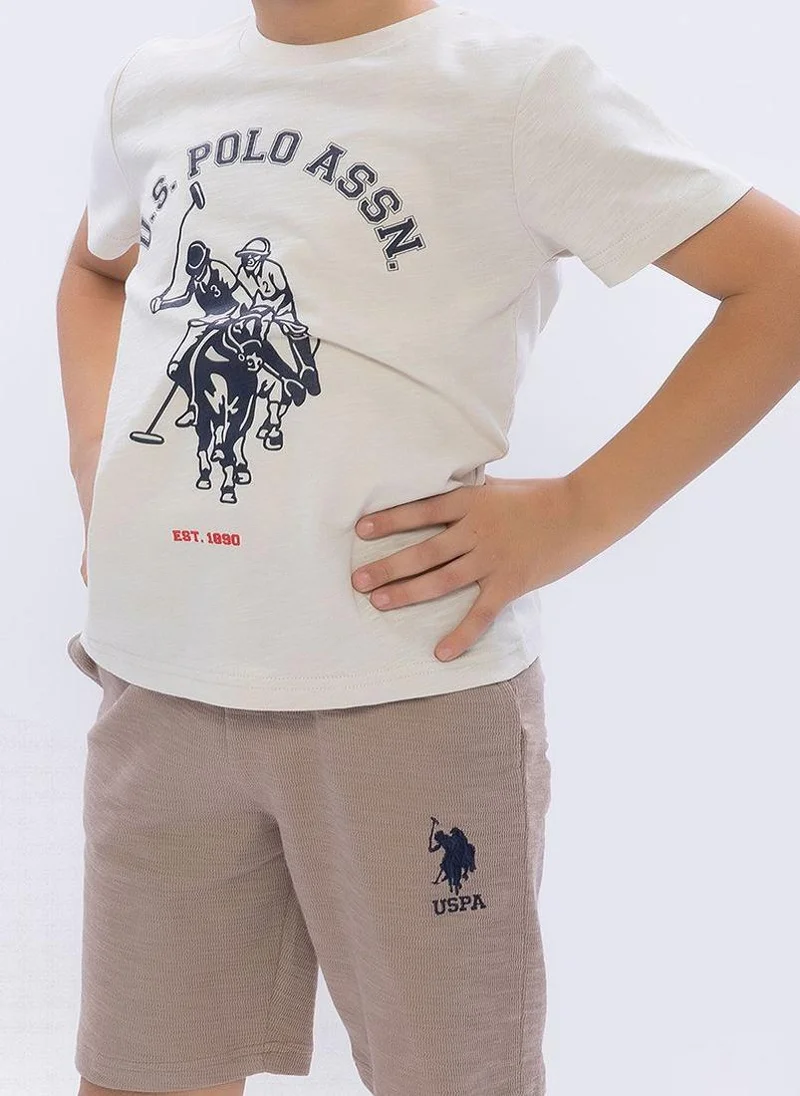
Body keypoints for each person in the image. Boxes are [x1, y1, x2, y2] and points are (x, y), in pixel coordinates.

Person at [55, 1, 800, 1094]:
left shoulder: (514, 90)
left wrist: (578, 510)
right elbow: (98, 273)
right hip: (158, 685)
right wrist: (97, 453)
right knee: (140, 1071)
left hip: (407, 698)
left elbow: (780, 280)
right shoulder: (154, 89)